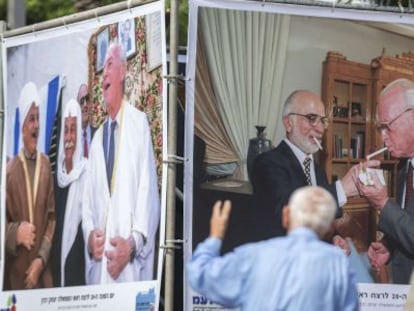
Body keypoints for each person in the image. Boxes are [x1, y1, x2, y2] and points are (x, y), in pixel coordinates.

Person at [187, 186, 359, 310]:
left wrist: (214, 237)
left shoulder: (254, 255)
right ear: (329, 226)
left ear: (286, 215)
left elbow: (199, 275)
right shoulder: (338, 265)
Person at [251, 89, 379, 238]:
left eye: (323, 120)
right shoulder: (267, 163)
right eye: (311, 118)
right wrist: (341, 189)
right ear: (288, 123)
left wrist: (334, 238)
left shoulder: (318, 170)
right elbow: (288, 213)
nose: (320, 128)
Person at [83, 42, 160, 284]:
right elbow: (87, 203)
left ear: (123, 72)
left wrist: (133, 245)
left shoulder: (139, 124)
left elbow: (149, 194)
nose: (103, 73)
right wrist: (88, 237)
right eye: (102, 69)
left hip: (130, 270)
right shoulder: (96, 140)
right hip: (100, 274)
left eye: (109, 65)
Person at [354, 78, 414, 284]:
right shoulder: (405, 167)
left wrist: (383, 203)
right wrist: (390, 245)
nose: (382, 137)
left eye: (387, 126)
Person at [4, 82, 56, 290]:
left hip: (42, 276)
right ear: (23, 125)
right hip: (17, 278)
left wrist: (40, 260)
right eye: (31, 119)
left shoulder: (46, 166)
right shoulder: (10, 171)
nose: (36, 125)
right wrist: (14, 233)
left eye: (38, 118)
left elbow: (52, 219)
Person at [51, 99, 87, 287]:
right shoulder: (55, 179)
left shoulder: (87, 174)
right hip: (55, 276)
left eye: (73, 129)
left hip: (78, 279)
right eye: (66, 130)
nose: (69, 137)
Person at [77, 83, 94, 158]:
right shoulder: (74, 138)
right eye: (81, 101)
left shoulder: (98, 135)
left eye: (87, 99)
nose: (85, 104)